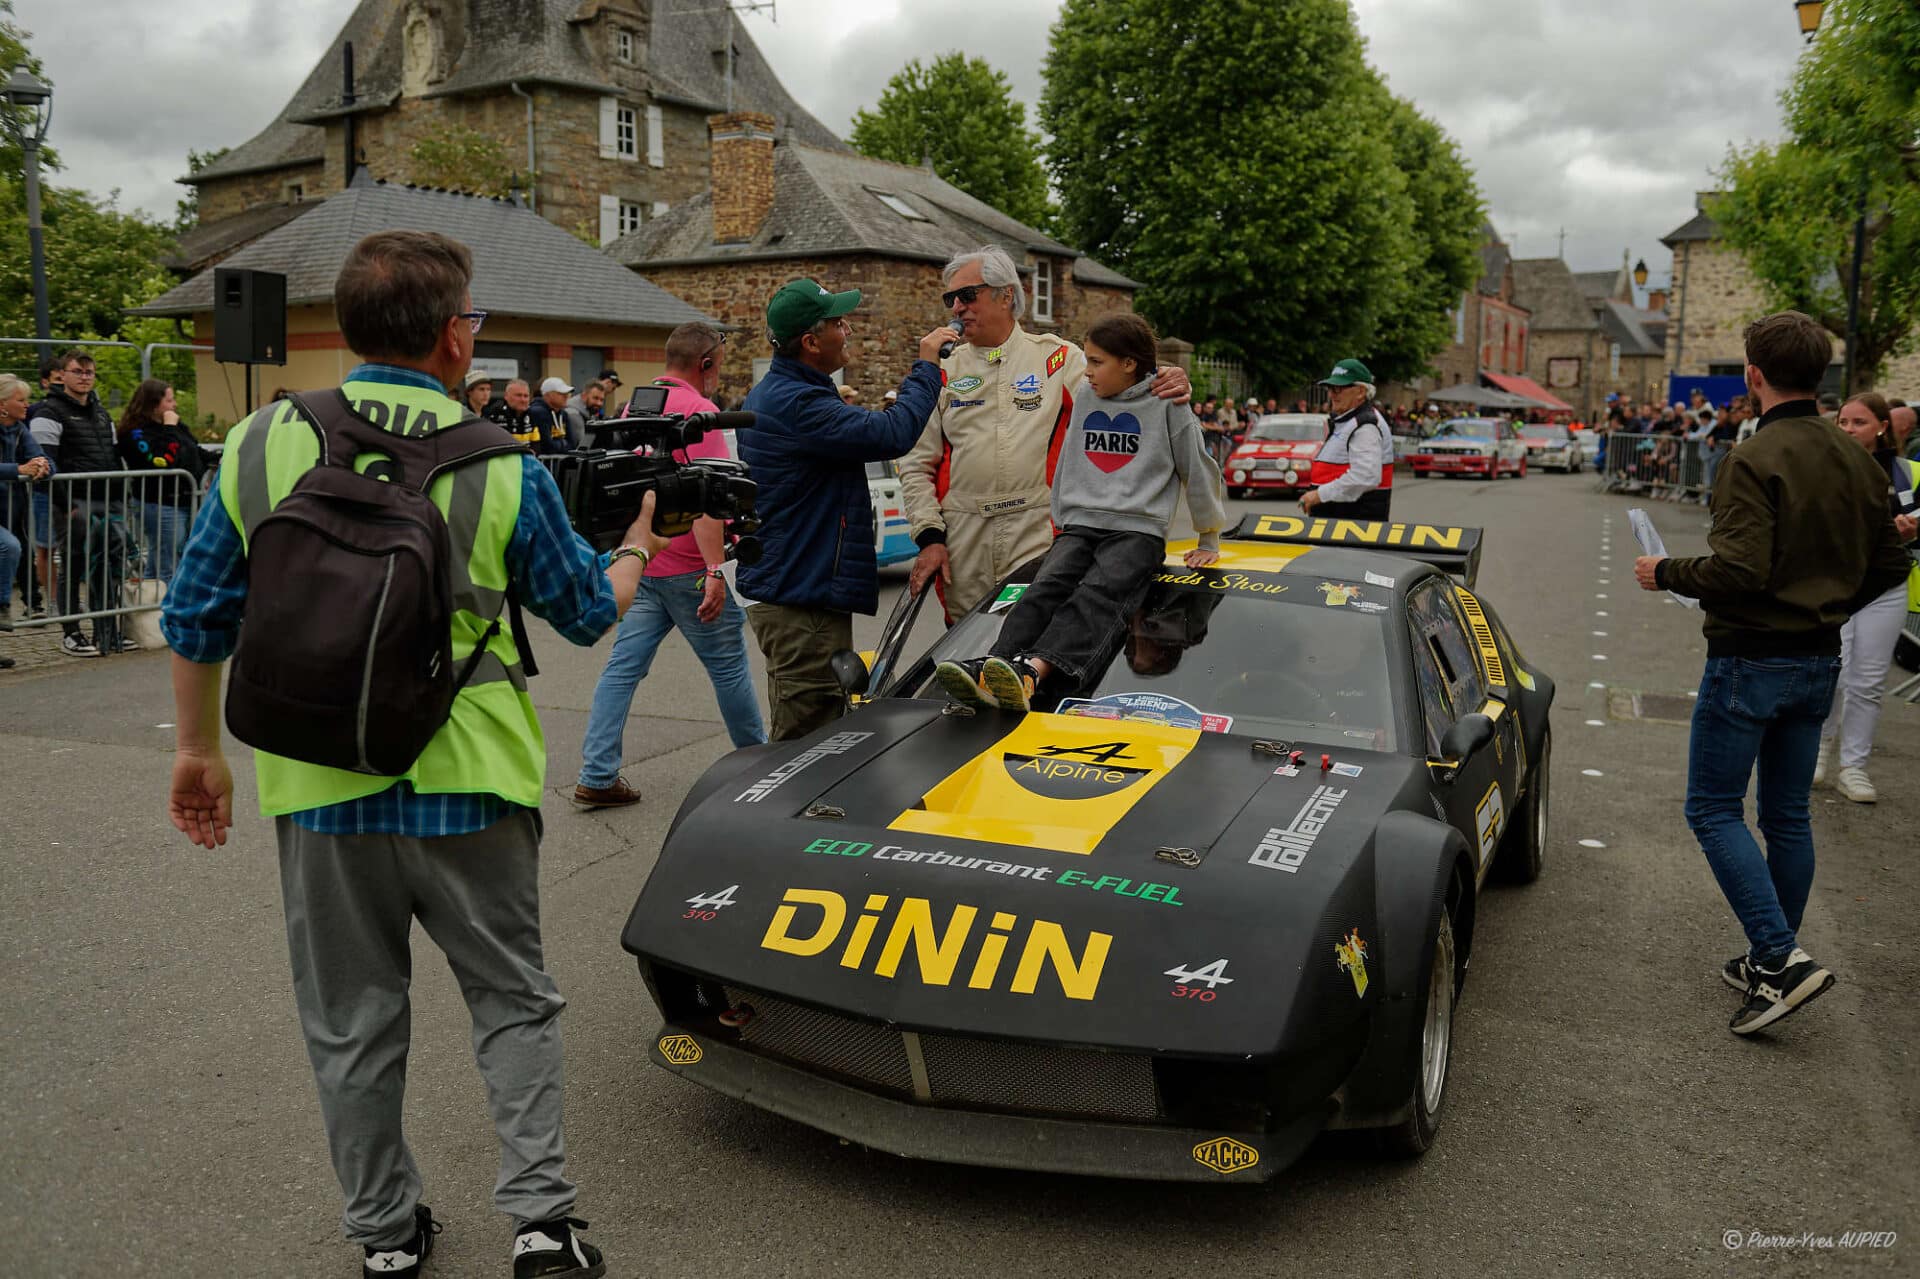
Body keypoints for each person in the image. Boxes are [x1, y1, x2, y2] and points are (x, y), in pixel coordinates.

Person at [161, 229, 671, 1278]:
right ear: (452, 336)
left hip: (317, 779)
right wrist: (633, 546)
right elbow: (580, 613)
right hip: (470, 775)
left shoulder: (260, 442)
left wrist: (197, 751)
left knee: (351, 1021)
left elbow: (197, 615)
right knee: (512, 1000)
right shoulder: (500, 461)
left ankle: (386, 1236)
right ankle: (542, 1223)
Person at [1633, 311, 1908, 1036]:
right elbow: (1891, 564)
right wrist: (1825, 601)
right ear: (1822, 377)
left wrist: (1663, 570)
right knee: (1786, 814)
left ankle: (1781, 957)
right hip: (1820, 653)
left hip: (1751, 654)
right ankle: (1768, 961)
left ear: (1753, 375)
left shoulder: (1753, 456)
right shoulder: (1859, 458)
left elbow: (1739, 569)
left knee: (1713, 809)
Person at [933, 313, 1225, 710]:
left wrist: (1209, 536)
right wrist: (1063, 517)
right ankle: (995, 665)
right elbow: (1070, 460)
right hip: (1080, 523)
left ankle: (1034, 671)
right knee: (1043, 589)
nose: (1086, 372)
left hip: (1136, 530)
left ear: (1129, 363)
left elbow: (1198, 467)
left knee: (1096, 594)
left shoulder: (1167, 404)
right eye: (1085, 360)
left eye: (1096, 362)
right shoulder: (1088, 397)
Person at [900, 245, 1189, 623]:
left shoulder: (1056, 359)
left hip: (1037, 530)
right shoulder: (939, 369)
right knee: (964, 647)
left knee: (1030, 637)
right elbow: (915, 462)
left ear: (1006, 295)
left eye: (967, 295)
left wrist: (1164, 376)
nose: (956, 307)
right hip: (963, 538)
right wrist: (930, 537)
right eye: (950, 298)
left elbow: (1122, 384)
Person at [738, 277, 947, 740]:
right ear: (812, 342)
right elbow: (891, 433)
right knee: (806, 739)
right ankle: (783, 814)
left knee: (816, 721)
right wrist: (927, 367)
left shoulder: (784, 391)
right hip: (800, 601)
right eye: (837, 322)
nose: (848, 329)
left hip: (797, 592)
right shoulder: (800, 402)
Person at [575, 323, 766, 806]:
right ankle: (759, 770)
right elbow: (706, 500)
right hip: (687, 564)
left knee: (622, 669)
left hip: (645, 561)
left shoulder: (634, 406)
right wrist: (716, 570)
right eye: (719, 364)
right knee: (729, 669)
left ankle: (596, 774)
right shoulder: (700, 413)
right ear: (705, 363)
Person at [1812, 392, 1918, 803]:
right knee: (1832, 672)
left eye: (1859, 422)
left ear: (1881, 426)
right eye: (1844, 422)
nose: (1850, 430)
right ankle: (1817, 753)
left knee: (1869, 681)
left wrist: (1912, 529)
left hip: (1886, 586)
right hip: (1836, 582)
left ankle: (1853, 767)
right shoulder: (1825, 467)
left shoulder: (1907, 472)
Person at [29, 348, 133, 657]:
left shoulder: (101, 412)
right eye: (78, 371)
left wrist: (120, 494)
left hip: (107, 500)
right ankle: (71, 632)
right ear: (63, 375)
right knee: (73, 566)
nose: (85, 378)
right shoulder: (48, 411)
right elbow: (44, 461)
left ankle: (108, 632)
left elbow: (113, 456)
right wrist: (65, 503)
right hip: (73, 503)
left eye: (89, 372)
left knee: (110, 565)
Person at [115, 379, 214, 585]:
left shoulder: (176, 426)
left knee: (162, 559)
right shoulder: (135, 432)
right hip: (160, 503)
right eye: (169, 401)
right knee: (167, 564)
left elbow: (194, 450)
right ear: (153, 404)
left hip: (186, 499)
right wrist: (169, 427)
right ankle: (167, 611)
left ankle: (151, 607)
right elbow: (161, 461)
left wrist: (221, 459)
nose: (174, 405)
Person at [1300, 359, 1393, 520]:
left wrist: (1319, 495)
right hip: (1341, 522)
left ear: (1361, 391)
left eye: (1338, 388)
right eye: (1330, 388)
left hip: (1352, 525)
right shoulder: (1349, 420)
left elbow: (1366, 476)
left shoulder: (1365, 425)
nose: (1331, 394)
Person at [0, 372, 51, 658]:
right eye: (22, 400)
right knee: (9, 546)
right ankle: (3, 605)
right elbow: (19, 467)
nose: (27, 406)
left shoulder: (20, 429)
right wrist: (18, 470)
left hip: (11, 513)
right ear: (2, 405)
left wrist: (43, 467)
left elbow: (42, 457)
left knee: (11, 546)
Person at [487, 378, 561, 453]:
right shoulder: (495, 415)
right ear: (506, 396)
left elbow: (536, 446)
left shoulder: (532, 415)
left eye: (526, 396)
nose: (523, 400)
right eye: (518, 395)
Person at [533, 376, 576, 450]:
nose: (566, 396)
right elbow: (547, 446)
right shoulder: (539, 412)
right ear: (547, 395)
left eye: (567, 393)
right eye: (561, 393)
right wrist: (564, 444)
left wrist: (559, 444)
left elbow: (572, 444)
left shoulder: (564, 414)